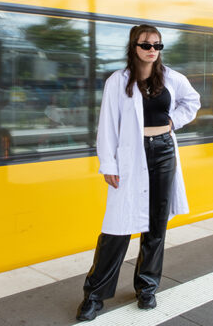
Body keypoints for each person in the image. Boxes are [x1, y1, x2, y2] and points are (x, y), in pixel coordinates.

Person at [76, 24, 201, 321]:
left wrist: (174, 123)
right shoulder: (118, 81)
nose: (152, 51)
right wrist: (108, 163)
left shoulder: (171, 78)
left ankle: (146, 288)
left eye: (157, 46)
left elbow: (192, 102)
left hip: (164, 152)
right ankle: (94, 296)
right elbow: (106, 125)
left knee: (156, 225)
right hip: (131, 156)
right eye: (146, 45)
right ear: (133, 46)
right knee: (117, 229)